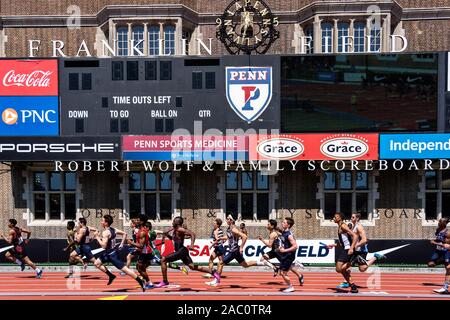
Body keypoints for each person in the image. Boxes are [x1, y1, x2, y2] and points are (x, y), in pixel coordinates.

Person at [154, 216, 216, 288]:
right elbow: (173, 239)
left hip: (181, 251)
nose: (172, 222)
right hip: (182, 251)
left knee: (163, 260)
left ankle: (165, 281)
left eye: (173, 221)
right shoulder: (175, 230)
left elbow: (192, 234)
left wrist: (192, 245)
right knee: (192, 266)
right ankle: (213, 272)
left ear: (177, 223)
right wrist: (167, 235)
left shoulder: (180, 229)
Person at [206, 215, 263, 287]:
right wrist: (220, 238)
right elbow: (229, 237)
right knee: (245, 265)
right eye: (226, 218)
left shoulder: (233, 229)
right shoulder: (229, 228)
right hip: (235, 251)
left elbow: (244, 237)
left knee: (220, 263)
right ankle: (262, 263)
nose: (226, 220)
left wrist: (241, 247)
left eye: (228, 219)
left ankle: (216, 281)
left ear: (231, 220)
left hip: (234, 251)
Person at [93, 214, 145, 291]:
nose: (101, 222)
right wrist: (121, 243)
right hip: (108, 253)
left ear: (106, 223)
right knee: (96, 263)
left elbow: (103, 246)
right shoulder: (114, 229)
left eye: (102, 221)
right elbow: (125, 233)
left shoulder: (106, 232)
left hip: (112, 255)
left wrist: (97, 237)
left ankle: (140, 281)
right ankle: (111, 276)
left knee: (125, 270)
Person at [326, 212, 359, 293]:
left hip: (348, 249)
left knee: (338, 268)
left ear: (340, 218)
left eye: (335, 217)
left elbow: (355, 236)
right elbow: (344, 241)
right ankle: (353, 285)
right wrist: (333, 245)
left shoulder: (343, 226)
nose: (333, 218)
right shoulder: (340, 226)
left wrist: (351, 248)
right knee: (341, 269)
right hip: (345, 248)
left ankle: (355, 260)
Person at [127, 215, 155, 289]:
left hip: (145, 252)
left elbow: (141, 246)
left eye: (138, 220)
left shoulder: (142, 232)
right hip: (143, 252)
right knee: (139, 268)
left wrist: (131, 242)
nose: (136, 221)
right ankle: (146, 281)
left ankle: (149, 283)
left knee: (140, 268)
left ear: (142, 222)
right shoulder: (140, 230)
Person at [430, 218, 450, 294]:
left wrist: (435, 243)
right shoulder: (438, 230)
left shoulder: (448, 233)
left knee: (448, 269)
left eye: (440, 221)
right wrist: (435, 240)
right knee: (431, 264)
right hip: (439, 251)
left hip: (447, 251)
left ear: (444, 223)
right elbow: (439, 238)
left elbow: (446, 245)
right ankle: (445, 288)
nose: (438, 222)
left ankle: (445, 288)